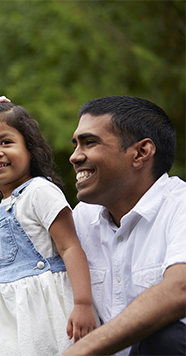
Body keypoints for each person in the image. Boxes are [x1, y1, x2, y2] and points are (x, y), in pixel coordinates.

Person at [0, 96, 97, 356]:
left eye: (6, 142)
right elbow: (11, 277)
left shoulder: (40, 191)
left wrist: (83, 304)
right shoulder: (1, 209)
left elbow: (70, 248)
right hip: (20, 329)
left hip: (51, 317)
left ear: (29, 148)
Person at [62, 96, 186, 355]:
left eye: (89, 142)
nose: (74, 157)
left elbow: (180, 289)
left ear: (140, 153)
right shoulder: (81, 218)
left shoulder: (180, 205)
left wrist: (81, 350)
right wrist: (4, 118)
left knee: (166, 338)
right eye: (76, 144)